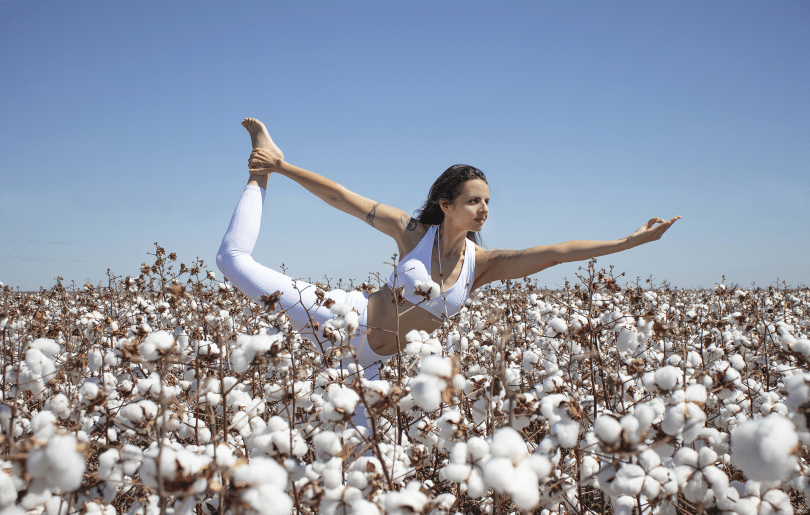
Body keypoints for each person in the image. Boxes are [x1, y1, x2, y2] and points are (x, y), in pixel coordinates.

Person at [217, 118, 680, 379]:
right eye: (473, 201)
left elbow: (557, 252)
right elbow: (341, 197)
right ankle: (261, 168)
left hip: (371, 368)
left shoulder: (482, 266)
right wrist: (281, 167)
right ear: (447, 204)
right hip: (338, 316)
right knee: (231, 262)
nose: (483, 211)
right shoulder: (413, 232)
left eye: (487, 203)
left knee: (357, 484)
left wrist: (628, 241)